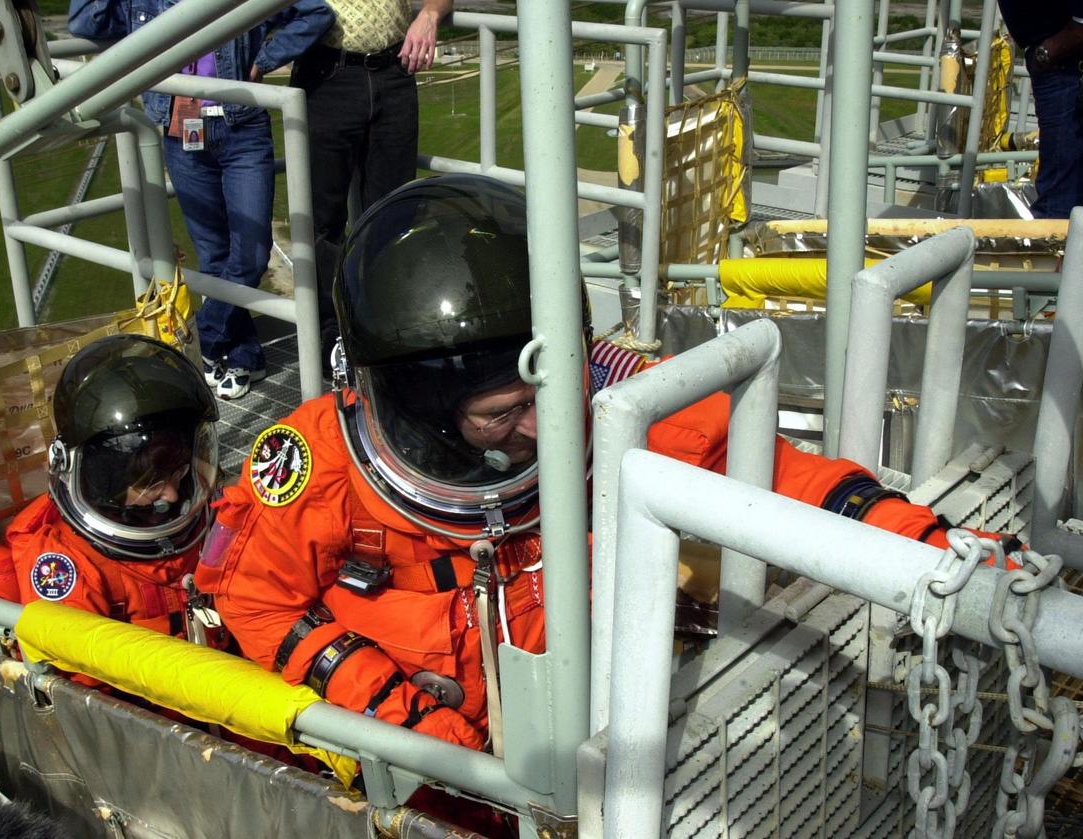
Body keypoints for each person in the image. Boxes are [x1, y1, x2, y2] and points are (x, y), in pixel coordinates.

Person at [195, 175, 998, 749]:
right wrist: (409, 723)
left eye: (549, 390)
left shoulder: (619, 404)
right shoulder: (318, 463)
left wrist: (929, 547)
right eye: (500, 416)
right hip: (421, 735)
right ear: (428, 412)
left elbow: (775, 474)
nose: (543, 430)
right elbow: (256, 600)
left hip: (574, 726)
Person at [68, 0, 334, 399]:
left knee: (251, 255)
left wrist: (264, 60)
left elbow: (315, 12)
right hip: (180, 129)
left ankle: (202, 341)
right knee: (213, 256)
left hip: (242, 127)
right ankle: (242, 357)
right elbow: (85, 20)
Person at [0, 334, 224, 674]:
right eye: (152, 484)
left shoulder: (208, 523)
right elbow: (86, 692)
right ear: (104, 482)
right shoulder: (67, 565)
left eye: (178, 474)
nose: (171, 495)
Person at [289, 0, 452, 350]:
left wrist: (431, 14)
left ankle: (384, 320)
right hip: (326, 73)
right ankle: (332, 330)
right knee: (322, 218)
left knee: (394, 213)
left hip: (394, 72)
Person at [996, 2, 1083, 218]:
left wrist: (1046, 53)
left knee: (1061, 189)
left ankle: (1055, 244)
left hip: (1065, 65)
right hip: (1060, 63)